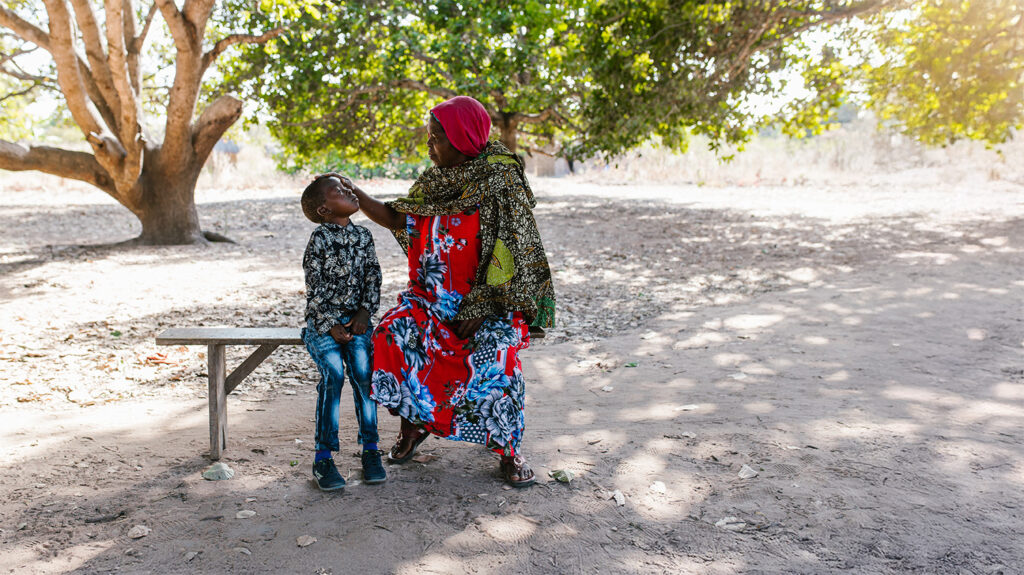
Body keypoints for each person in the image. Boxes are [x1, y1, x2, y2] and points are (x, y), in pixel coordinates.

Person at [337, 95, 556, 488]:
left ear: (463, 137)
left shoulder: (500, 180)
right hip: (430, 300)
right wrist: (357, 196)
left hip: (489, 305)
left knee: (498, 356)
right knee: (392, 337)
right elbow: (399, 218)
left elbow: (517, 249)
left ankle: (507, 447)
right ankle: (415, 425)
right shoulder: (434, 181)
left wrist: (483, 304)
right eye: (429, 136)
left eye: (437, 137)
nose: (429, 145)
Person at [300, 174, 386, 492]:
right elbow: (316, 287)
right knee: (334, 374)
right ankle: (323, 457)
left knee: (364, 375)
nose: (349, 191)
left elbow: (373, 275)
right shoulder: (320, 240)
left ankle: (371, 451)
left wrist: (365, 312)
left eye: (348, 187)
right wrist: (330, 325)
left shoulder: (364, 236)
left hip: (357, 321)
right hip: (323, 324)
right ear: (324, 209)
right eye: (339, 190)